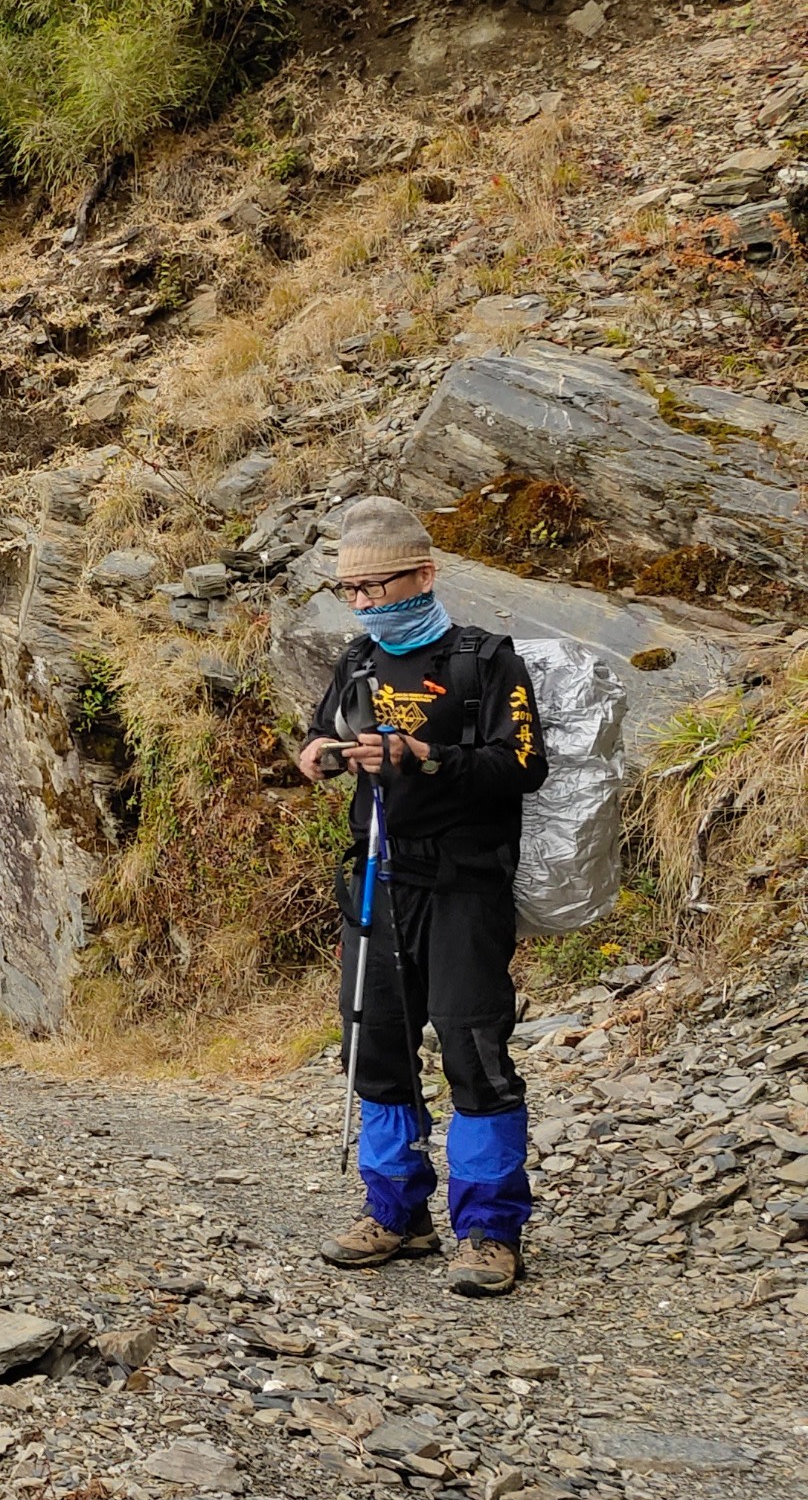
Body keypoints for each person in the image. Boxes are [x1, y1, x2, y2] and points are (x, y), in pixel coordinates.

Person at [294, 497, 546, 1297]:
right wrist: (326, 755)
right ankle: (395, 1212)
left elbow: (523, 766)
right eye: (351, 590)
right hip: (376, 876)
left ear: (423, 573)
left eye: (376, 585)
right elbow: (316, 735)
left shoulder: (484, 660)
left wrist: (421, 753)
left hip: (466, 881)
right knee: (374, 1041)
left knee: (472, 1047)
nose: (365, 603)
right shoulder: (358, 662)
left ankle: (488, 1230)